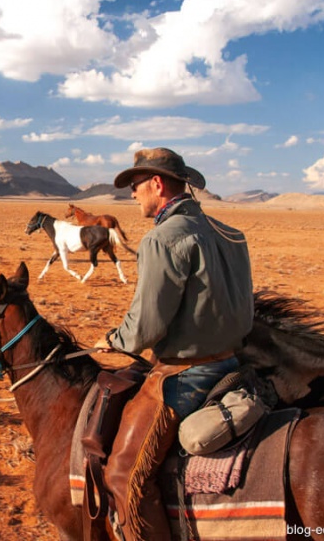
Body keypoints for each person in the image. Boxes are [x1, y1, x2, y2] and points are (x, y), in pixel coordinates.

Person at [93, 147, 254, 540]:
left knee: (122, 475)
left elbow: (145, 326)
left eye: (135, 186)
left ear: (157, 184)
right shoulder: (228, 233)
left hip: (187, 375)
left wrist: (113, 340)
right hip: (232, 365)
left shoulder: (163, 239)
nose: (132, 195)